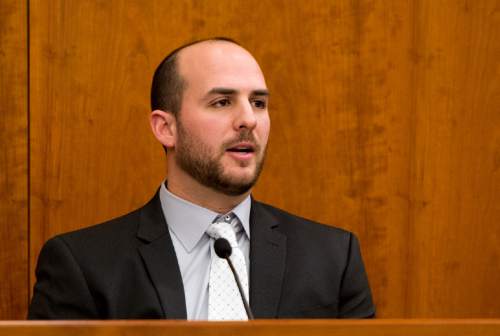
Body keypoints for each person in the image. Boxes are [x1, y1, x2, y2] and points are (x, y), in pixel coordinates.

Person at [28, 38, 375, 319]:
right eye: (222, 102)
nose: (248, 119)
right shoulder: (83, 265)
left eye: (258, 102)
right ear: (166, 128)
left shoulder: (333, 258)